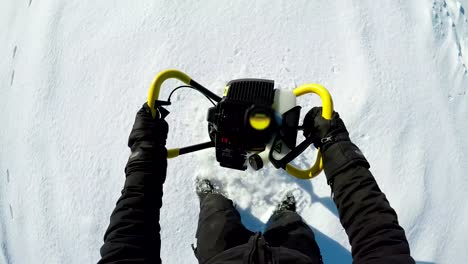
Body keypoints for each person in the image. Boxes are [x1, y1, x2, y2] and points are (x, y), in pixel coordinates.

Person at [98, 103, 415, 264]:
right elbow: (376, 229)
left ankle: (213, 196)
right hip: (296, 255)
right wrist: (335, 144)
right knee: (290, 224)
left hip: (219, 256)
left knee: (215, 216)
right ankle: (284, 213)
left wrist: (145, 152)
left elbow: (127, 240)